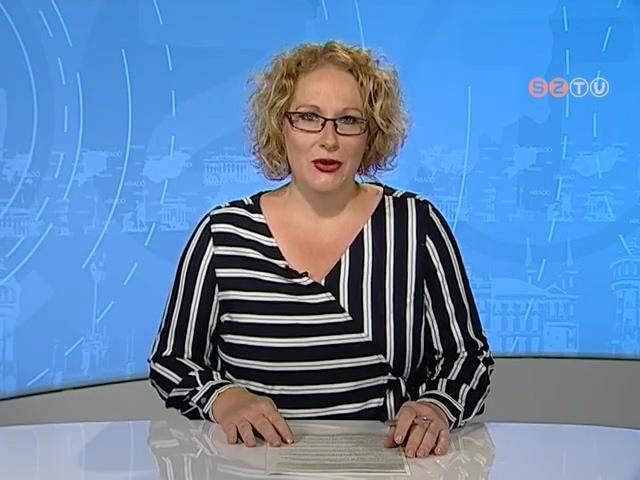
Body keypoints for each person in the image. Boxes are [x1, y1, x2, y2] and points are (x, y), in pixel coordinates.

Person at [148, 40, 494, 459]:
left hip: (388, 462)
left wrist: (436, 407)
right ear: (281, 126)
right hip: (254, 464)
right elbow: (172, 360)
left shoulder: (416, 225)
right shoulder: (223, 234)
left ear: (370, 134)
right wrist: (224, 398)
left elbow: (467, 357)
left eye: (349, 121)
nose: (328, 139)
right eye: (309, 118)